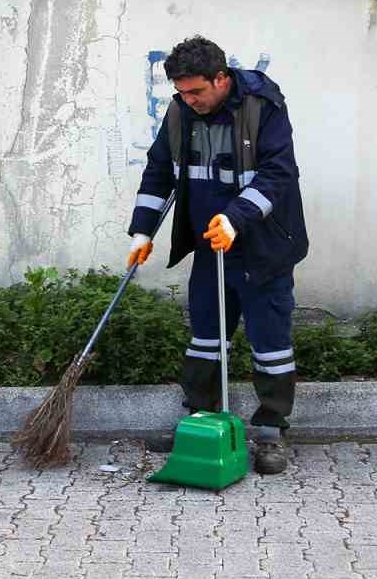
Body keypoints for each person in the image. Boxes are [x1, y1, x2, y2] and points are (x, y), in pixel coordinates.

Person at [127, 36, 309, 475]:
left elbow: (278, 173)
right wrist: (142, 231)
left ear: (221, 78)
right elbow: (159, 171)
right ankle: (201, 424)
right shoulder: (180, 112)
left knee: (270, 341)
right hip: (211, 245)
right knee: (206, 337)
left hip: (264, 247)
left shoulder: (263, 107)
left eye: (197, 91)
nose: (189, 100)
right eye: (182, 92)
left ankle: (271, 432)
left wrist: (235, 218)